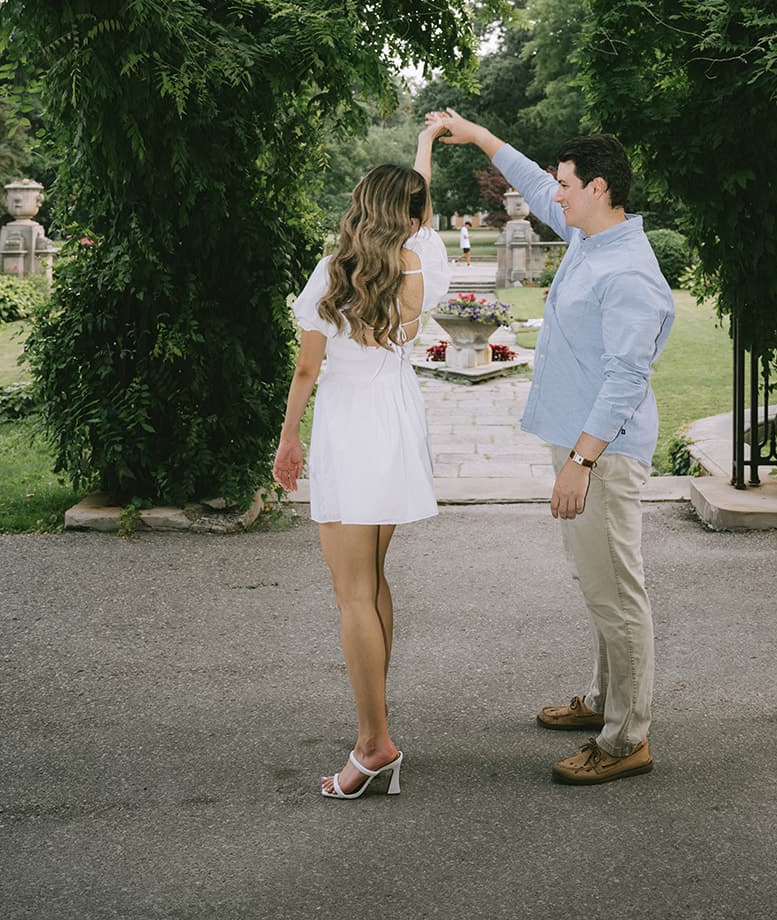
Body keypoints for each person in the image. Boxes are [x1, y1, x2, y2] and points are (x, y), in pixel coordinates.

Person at [425, 107, 674, 786]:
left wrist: (581, 461)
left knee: (615, 591)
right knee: (600, 585)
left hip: (601, 452)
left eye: (567, 183)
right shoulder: (588, 235)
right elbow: (531, 183)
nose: (554, 193)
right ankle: (602, 703)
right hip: (578, 443)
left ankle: (627, 739)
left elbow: (626, 379)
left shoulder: (626, 273)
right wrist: (475, 135)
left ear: (598, 188)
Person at [272, 121, 451, 801]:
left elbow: (306, 373)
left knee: (352, 593)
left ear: (360, 205)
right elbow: (421, 203)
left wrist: (288, 441)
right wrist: (426, 151)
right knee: (372, 578)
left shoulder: (332, 272)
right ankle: (377, 726)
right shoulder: (419, 264)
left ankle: (374, 743)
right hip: (397, 426)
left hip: (350, 431)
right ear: (407, 215)